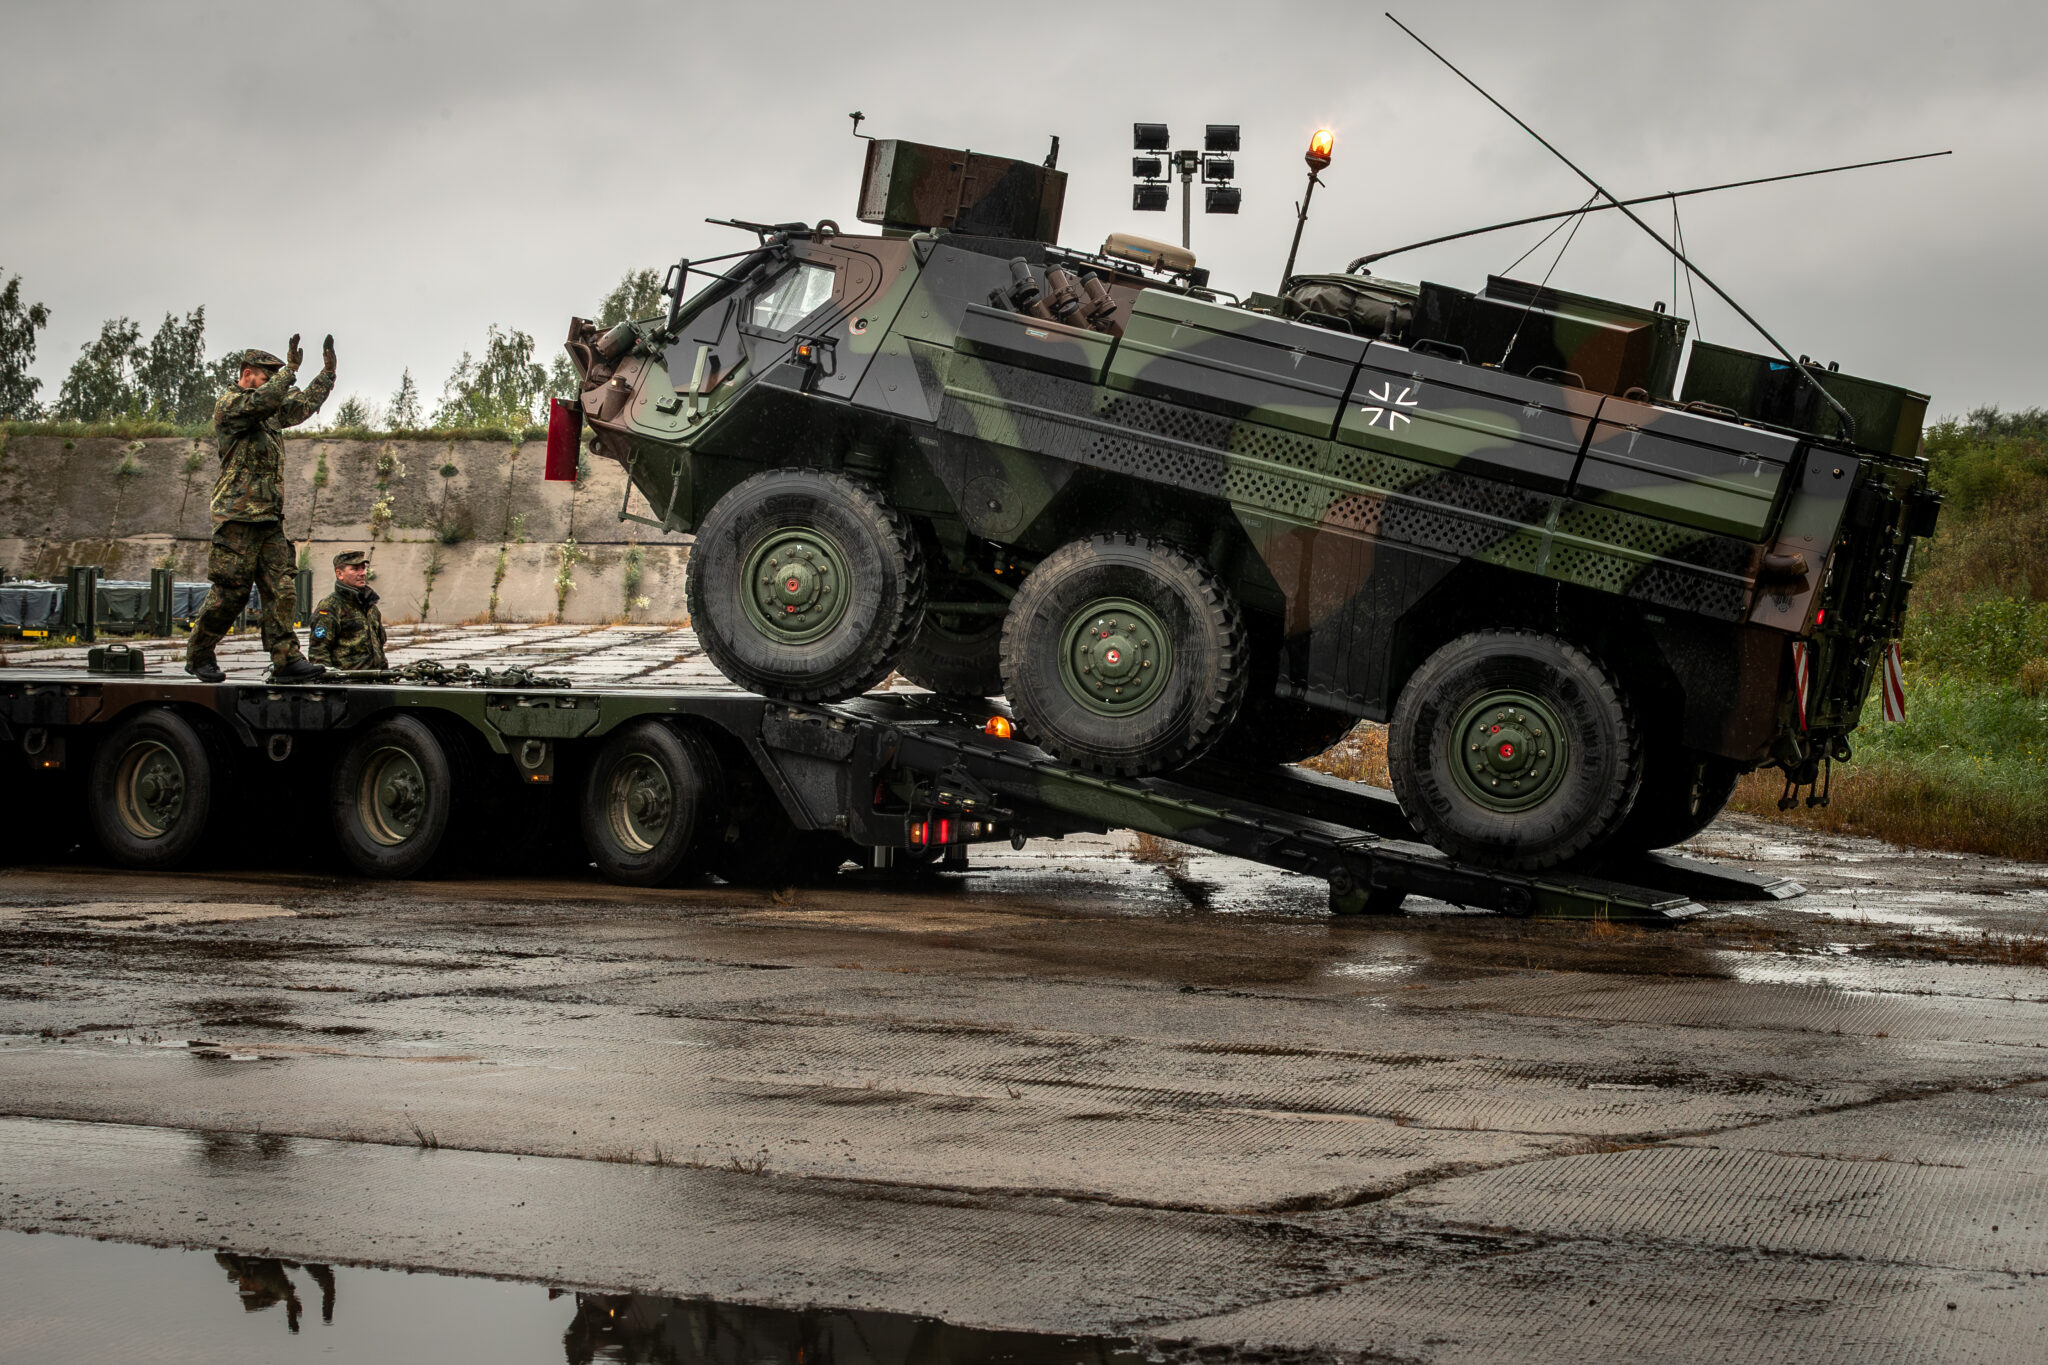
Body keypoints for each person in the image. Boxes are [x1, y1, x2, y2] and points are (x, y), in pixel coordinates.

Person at [184, 334, 335, 683]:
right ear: (247, 374)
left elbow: (299, 406)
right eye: (267, 378)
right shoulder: (231, 406)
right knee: (230, 593)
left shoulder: (268, 413)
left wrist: (326, 375)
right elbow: (263, 401)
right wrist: (290, 371)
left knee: (282, 590)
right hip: (237, 517)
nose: (271, 385)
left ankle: (285, 660)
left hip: (268, 518)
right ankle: (199, 654)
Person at [308, 548, 387, 671]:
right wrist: (329, 679)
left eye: (363, 568)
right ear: (340, 574)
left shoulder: (370, 606)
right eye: (355, 569)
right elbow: (319, 653)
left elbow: (379, 646)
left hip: (375, 679)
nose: (362, 573)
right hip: (347, 680)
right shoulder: (330, 606)